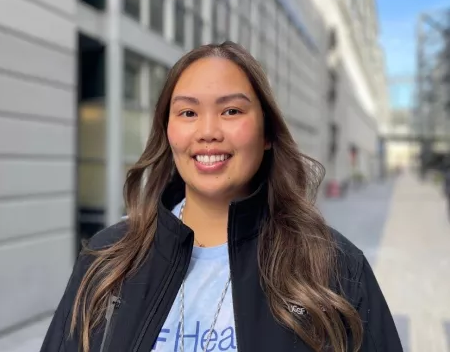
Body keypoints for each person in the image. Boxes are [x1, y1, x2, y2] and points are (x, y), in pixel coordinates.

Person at [41, 42, 403, 352]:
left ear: (266, 134)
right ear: (168, 132)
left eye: (231, 111)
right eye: (188, 112)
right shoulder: (108, 261)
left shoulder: (335, 270)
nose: (208, 131)